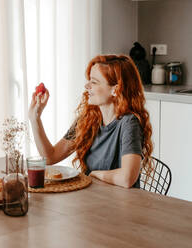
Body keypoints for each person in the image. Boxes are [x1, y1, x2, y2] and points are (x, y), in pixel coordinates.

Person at [28, 54, 153, 188]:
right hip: (92, 198)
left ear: (115, 90)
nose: (87, 86)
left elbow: (127, 178)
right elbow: (50, 157)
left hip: (120, 204)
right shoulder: (88, 119)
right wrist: (35, 117)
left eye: (94, 82)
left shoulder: (129, 123)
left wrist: (94, 174)